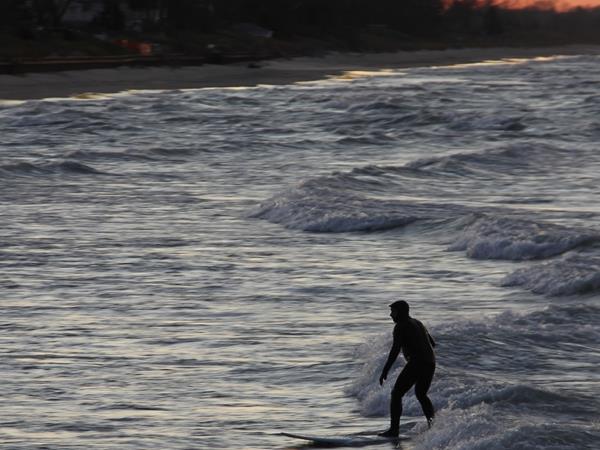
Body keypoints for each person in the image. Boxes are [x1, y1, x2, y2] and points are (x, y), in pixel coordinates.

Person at [378, 300, 436, 437]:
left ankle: (394, 430)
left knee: (396, 393)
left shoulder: (400, 326)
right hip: (430, 362)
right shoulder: (418, 322)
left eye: (393, 312)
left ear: (401, 312)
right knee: (421, 394)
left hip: (418, 362)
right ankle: (433, 425)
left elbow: (395, 350)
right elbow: (432, 344)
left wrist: (385, 370)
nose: (390, 315)